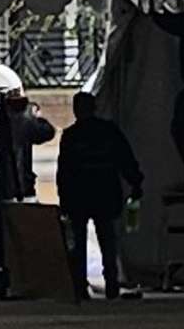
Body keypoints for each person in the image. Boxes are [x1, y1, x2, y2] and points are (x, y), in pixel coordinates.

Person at [53, 99, 143, 299]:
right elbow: (125, 158)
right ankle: (111, 283)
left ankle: (79, 286)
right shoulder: (108, 131)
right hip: (105, 192)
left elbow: (64, 171)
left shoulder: (72, 135)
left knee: (79, 242)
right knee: (107, 239)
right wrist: (136, 181)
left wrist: (63, 199)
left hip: (79, 195)